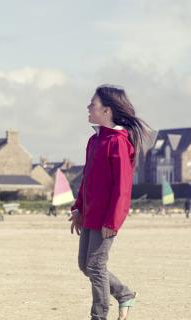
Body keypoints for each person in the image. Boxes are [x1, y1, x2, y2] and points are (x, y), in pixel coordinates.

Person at [69, 85, 149, 320]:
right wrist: (78, 209)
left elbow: (122, 188)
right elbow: (87, 180)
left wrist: (113, 222)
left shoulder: (119, 142)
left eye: (92, 104)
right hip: (90, 215)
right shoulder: (95, 140)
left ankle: (99, 316)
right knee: (86, 266)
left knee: (95, 266)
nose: (88, 108)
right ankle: (124, 294)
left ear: (107, 110)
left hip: (107, 219)